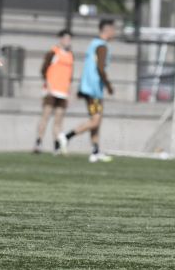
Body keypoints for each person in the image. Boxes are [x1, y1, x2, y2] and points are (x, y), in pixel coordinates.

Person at [58, 18, 116, 162]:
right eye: (113, 30)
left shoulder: (93, 43)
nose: (114, 33)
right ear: (107, 30)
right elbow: (100, 69)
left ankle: (95, 151)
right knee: (96, 120)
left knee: (96, 120)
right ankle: (66, 136)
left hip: (88, 87)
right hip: (94, 89)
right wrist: (109, 86)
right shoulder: (102, 46)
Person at [34, 29, 73, 154]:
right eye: (66, 38)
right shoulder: (53, 52)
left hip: (63, 92)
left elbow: (69, 76)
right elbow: (43, 70)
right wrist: (48, 86)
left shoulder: (70, 55)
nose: (68, 41)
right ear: (61, 39)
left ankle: (56, 146)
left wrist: (69, 92)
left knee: (58, 121)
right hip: (51, 91)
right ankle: (38, 142)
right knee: (45, 117)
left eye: (69, 39)